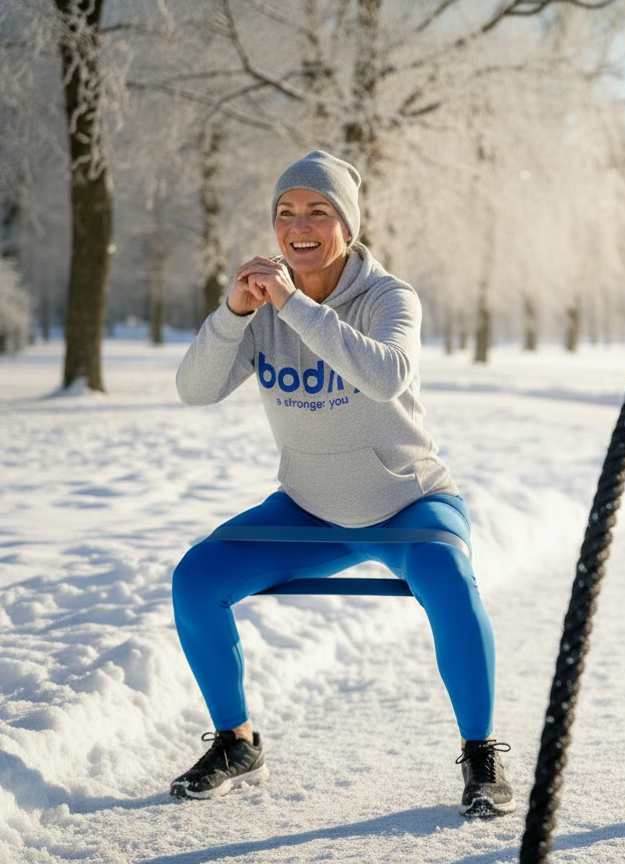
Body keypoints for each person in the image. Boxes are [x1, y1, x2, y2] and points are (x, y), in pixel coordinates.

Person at [170, 150, 514, 818]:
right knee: (197, 579)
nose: (299, 225)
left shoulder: (390, 298)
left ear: (347, 228)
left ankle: (481, 755)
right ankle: (237, 743)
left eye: (318, 211)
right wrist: (234, 314)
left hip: (408, 502)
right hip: (310, 508)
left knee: (446, 574)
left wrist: (294, 305)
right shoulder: (263, 305)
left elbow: (386, 375)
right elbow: (195, 389)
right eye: (286, 212)